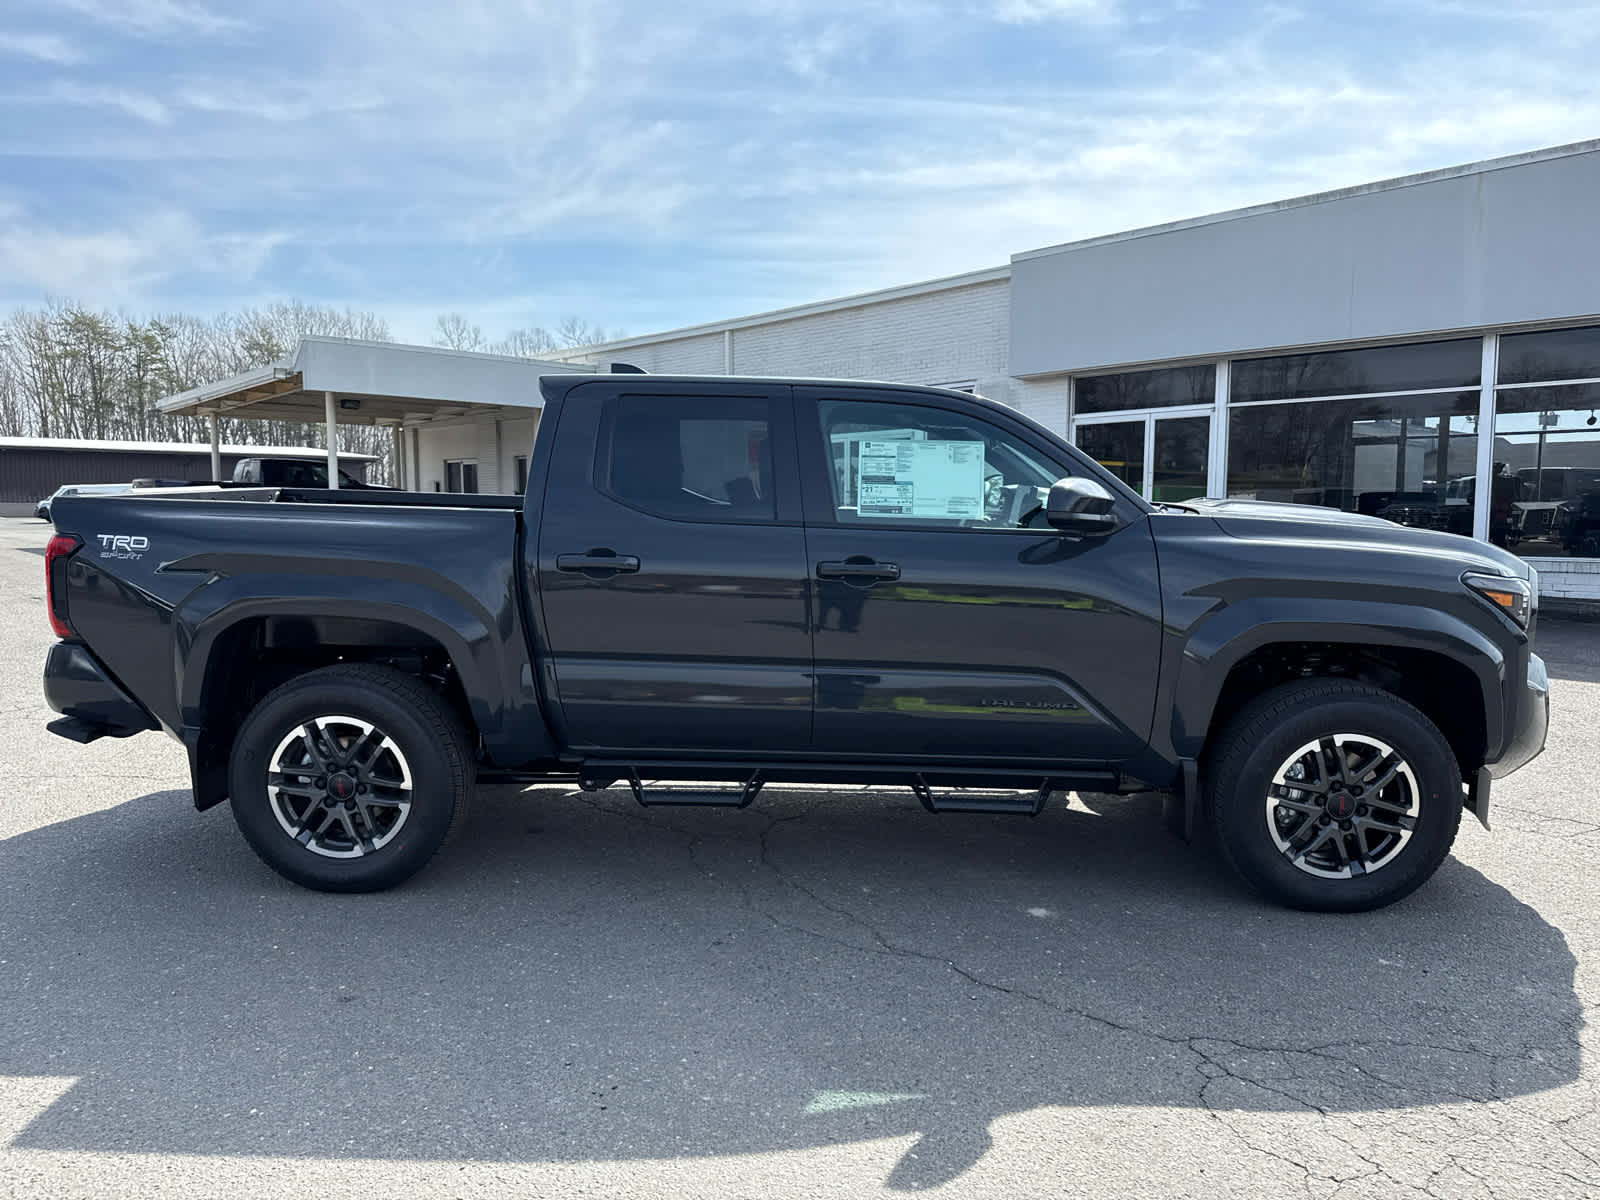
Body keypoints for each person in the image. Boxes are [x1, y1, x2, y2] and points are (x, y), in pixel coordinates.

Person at [1489, 461, 1524, 548]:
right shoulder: (1506, 481)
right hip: (1497, 513)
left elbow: (1514, 497)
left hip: (1500, 514)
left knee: (1499, 536)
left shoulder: (1506, 482)